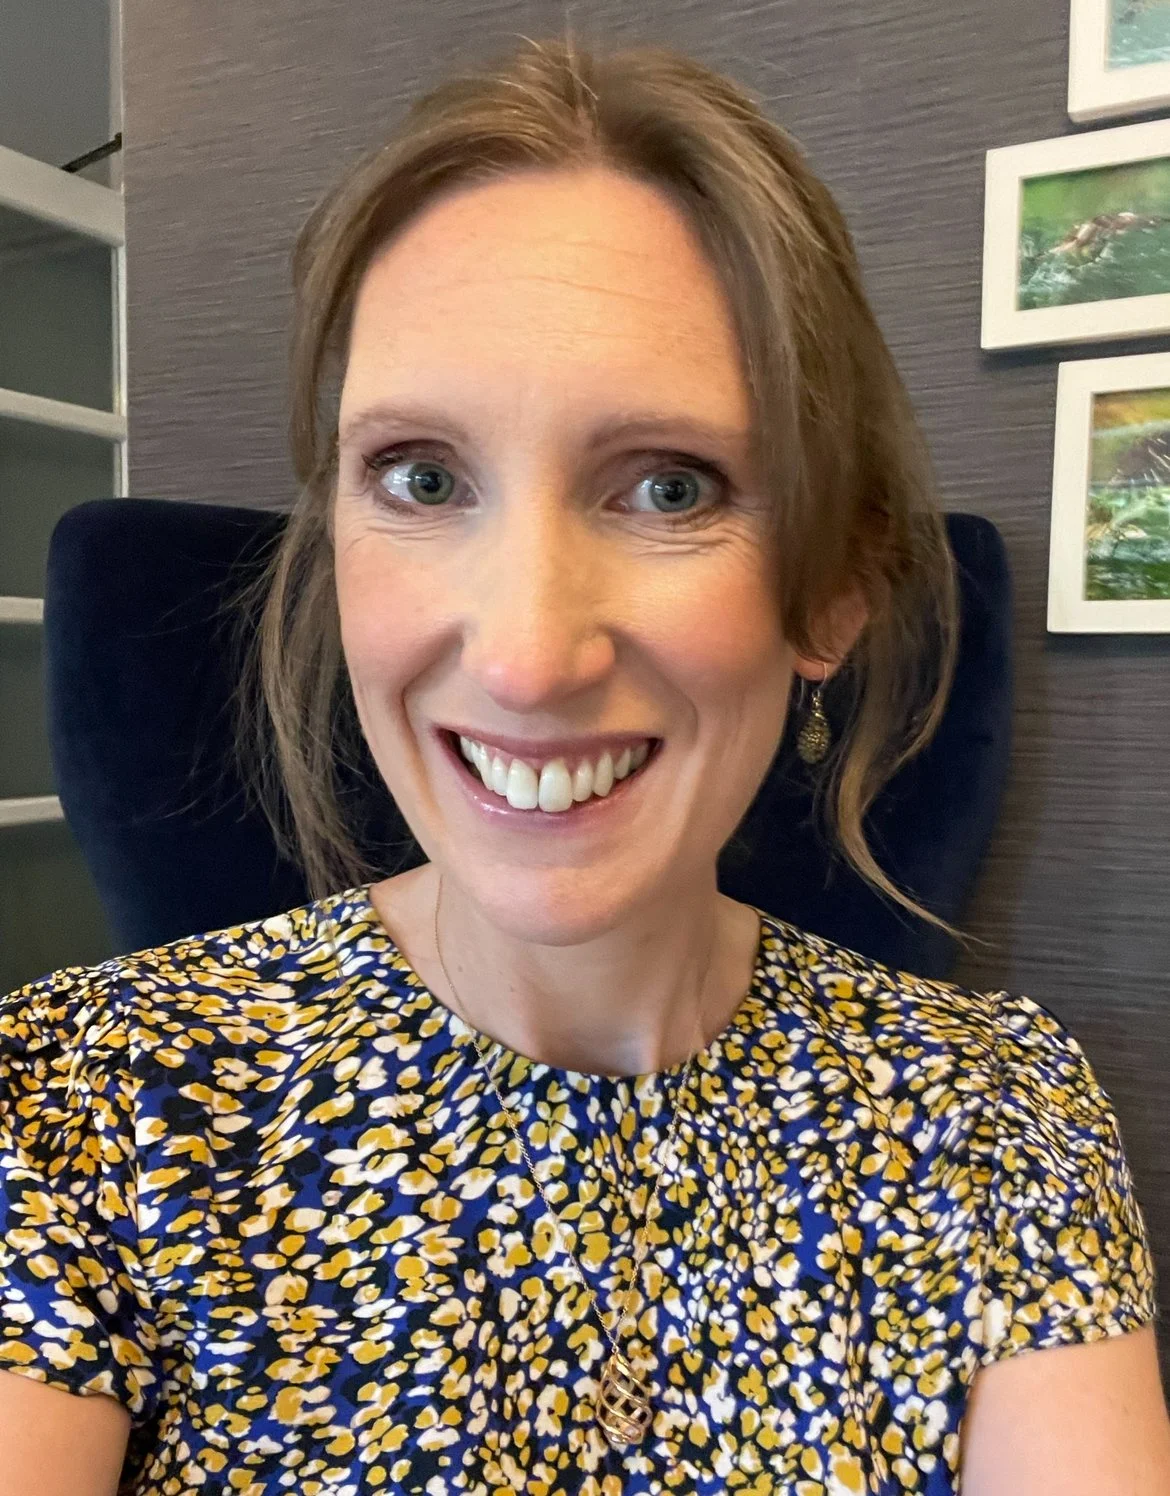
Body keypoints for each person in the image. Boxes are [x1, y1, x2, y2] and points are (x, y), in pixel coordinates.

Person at [1, 35, 1168, 1496]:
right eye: (423, 478)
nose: (523, 659)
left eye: (668, 487)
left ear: (833, 590)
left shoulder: (995, 1117)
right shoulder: (76, 1104)